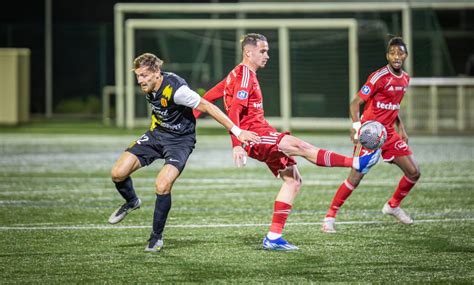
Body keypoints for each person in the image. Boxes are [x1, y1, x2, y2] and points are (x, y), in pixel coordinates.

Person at [194, 33, 381, 251]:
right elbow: (234, 109)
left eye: (267, 51)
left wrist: (192, 116)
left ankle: (274, 237)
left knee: (293, 180)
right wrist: (236, 142)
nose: (267, 56)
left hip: (260, 132)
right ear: (248, 52)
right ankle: (357, 163)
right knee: (301, 147)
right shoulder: (245, 74)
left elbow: (208, 98)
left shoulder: (237, 73)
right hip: (254, 135)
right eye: (263, 51)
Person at [108, 53, 260, 252]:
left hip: (180, 142)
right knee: (117, 173)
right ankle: (132, 201)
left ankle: (156, 237)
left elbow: (208, 106)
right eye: (138, 76)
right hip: (156, 135)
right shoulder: (151, 86)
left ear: (156, 73)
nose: (140, 80)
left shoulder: (178, 90)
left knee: (162, 185)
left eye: (144, 75)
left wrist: (237, 132)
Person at [321, 36, 421, 233]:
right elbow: (355, 103)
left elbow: (393, 107)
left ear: (406, 55)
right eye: (392, 53)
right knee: (355, 178)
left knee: (413, 172)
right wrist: (358, 128)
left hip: (389, 134)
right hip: (371, 134)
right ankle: (329, 218)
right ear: (387, 56)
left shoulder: (405, 79)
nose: (396, 56)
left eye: (400, 53)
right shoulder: (378, 77)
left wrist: (401, 128)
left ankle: (392, 206)